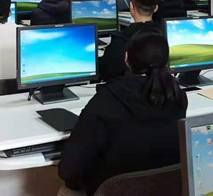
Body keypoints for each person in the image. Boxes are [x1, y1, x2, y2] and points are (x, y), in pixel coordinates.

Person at [59, 28, 188, 196]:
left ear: (126, 59)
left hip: (111, 191)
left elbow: (69, 170)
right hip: (165, 190)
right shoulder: (177, 96)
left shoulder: (107, 99)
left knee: (67, 190)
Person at [100, 0, 162, 82]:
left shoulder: (120, 41)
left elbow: (107, 72)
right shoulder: (165, 35)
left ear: (131, 6)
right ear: (156, 8)